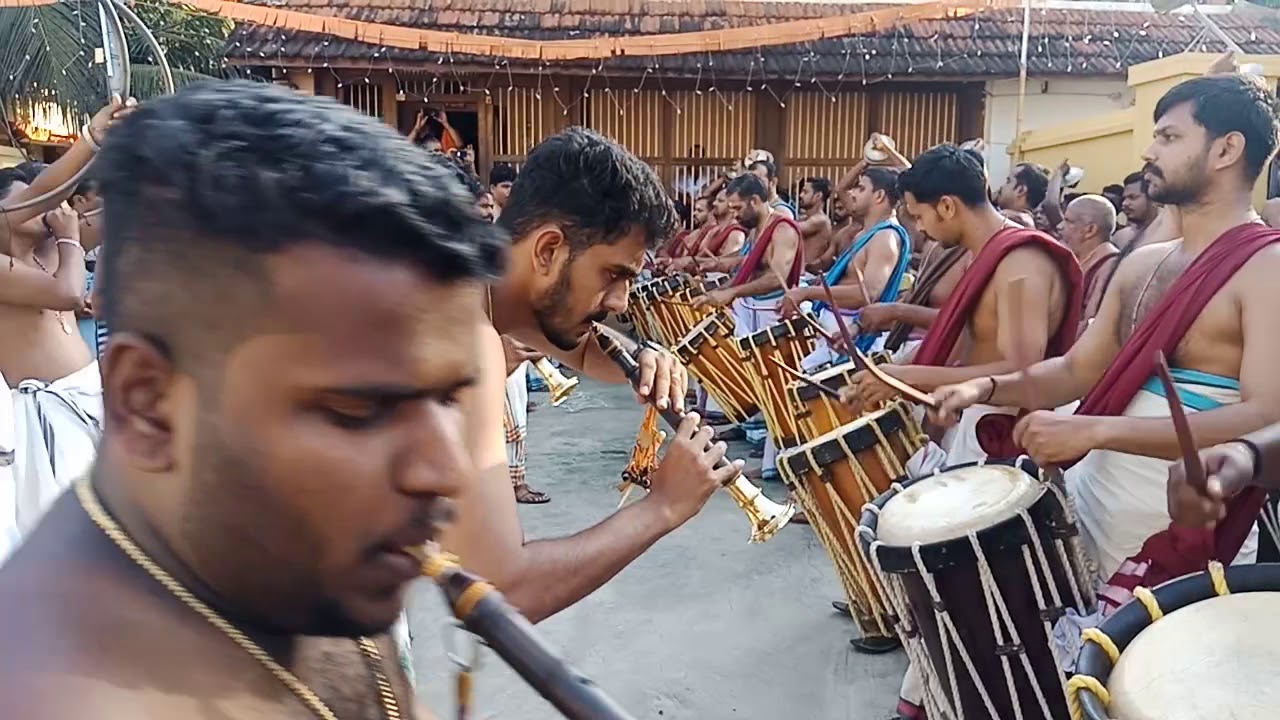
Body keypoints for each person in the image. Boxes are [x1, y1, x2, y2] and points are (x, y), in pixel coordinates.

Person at [0, 81, 507, 717]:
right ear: (149, 403)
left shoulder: (287, 561)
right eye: (357, 411)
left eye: (448, 397)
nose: (448, 471)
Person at [930, 72, 1280, 613]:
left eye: (1168, 137)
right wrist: (985, 386)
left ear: (1226, 149)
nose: (1149, 150)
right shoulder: (1143, 263)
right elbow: (1076, 372)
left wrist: (1090, 429)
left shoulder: (1268, 268)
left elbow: (1264, 418)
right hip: (1086, 514)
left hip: (1181, 541)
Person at [447, 126, 742, 624]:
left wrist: (643, 352)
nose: (621, 303)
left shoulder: (474, 276)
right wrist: (663, 507)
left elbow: (585, 350)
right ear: (547, 250)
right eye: (613, 275)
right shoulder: (468, 337)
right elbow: (500, 591)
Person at [842, 144, 1081, 466]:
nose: (921, 228)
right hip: (968, 416)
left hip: (998, 432)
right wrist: (894, 371)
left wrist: (907, 375)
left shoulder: (1020, 264)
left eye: (919, 216)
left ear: (947, 207)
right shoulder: (983, 254)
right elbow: (968, 335)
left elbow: (1022, 370)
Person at [0, 97, 134, 566]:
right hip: (47, 419)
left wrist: (105, 145)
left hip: (89, 400)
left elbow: (81, 207)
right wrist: (72, 238)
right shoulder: (24, 260)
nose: (44, 207)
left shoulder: (51, 246)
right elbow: (67, 293)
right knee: (75, 545)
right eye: (26, 201)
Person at [691, 172, 803, 485]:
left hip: (773, 314)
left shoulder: (783, 229)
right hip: (753, 309)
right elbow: (748, 266)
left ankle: (776, 462)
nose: (735, 214)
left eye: (739, 208)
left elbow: (775, 278)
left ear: (756, 201)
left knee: (777, 389)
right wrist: (718, 271)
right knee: (758, 386)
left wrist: (730, 293)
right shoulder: (757, 228)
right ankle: (760, 447)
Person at [781, 167, 911, 363]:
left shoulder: (885, 238)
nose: (851, 193)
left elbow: (868, 294)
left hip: (854, 336)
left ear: (879, 196)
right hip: (836, 330)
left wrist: (807, 293)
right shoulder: (865, 233)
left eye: (860, 188)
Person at [1058, 194, 1119, 327]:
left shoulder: (1109, 267)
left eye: (1068, 221)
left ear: (1090, 230)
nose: (1060, 226)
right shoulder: (1079, 259)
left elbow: (1092, 324)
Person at [1113, 170, 1159, 252]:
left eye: (1132, 197)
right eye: (1124, 198)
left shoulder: (1168, 236)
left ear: (1152, 198)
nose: (1124, 203)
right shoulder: (1120, 238)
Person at [795, 176, 834, 267]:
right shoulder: (805, 218)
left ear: (818, 196)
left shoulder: (821, 220)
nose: (800, 195)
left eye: (805, 192)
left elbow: (791, 228)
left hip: (808, 276)